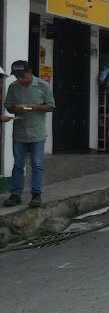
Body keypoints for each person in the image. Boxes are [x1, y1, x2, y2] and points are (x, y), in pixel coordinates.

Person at [3, 61, 53, 207]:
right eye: (18, 77)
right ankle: (15, 195)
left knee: (37, 164)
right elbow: (8, 106)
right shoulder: (13, 87)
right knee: (18, 164)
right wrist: (15, 108)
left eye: (23, 76)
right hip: (19, 132)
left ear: (30, 72)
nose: (21, 79)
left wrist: (34, 107)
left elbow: (51, 106)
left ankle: (36, 195)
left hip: (37, 132)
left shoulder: (43, 86)